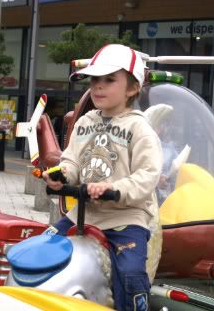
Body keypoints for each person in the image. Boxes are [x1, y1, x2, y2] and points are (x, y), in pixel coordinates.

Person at [42, 44, 162, 311]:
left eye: (109, 80)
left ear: (132, 88)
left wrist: (114, 188)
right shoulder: (85, 123)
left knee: (130, 272)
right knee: (42, 248)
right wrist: (61, 175)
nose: (98, 86)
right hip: (82, 214)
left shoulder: (139, 128)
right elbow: (71, 160)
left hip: (125, 219)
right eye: (95, 80)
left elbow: (148, 175)